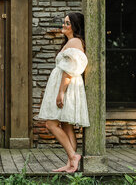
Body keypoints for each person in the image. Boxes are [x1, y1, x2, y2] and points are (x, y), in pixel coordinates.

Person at [38, 12, 89, 173]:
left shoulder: (74, 41)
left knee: (51, 123)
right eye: (64, 22)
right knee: (66, 124)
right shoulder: (71, 42)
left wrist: (61, 92)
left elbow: (69, 70)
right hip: (64, 85)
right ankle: (71, 163)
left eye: (67, 23)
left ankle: (73, 156)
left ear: (75, 26)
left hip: (65, 86)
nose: (63, 25)